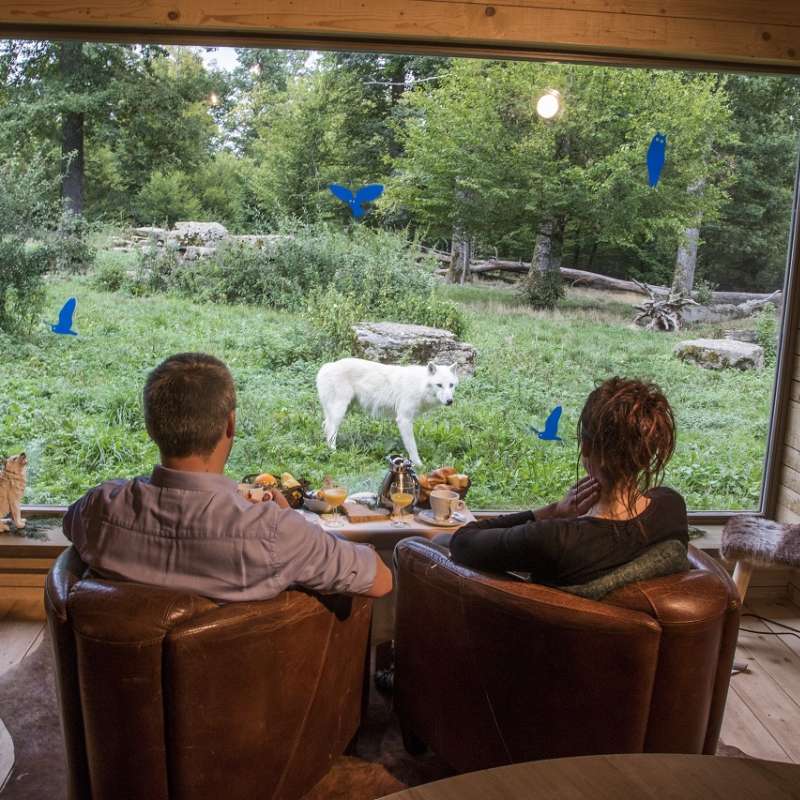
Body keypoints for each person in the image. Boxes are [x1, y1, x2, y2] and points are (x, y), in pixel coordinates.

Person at [63, 352, 392, 601]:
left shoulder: (99, 508)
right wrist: (293, 522)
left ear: (150, 428)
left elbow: (68, 524)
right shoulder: (277, 533)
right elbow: (381, 579)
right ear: (231, 424)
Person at [447, 377, 688, 586]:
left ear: (586, 446)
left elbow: (462, 542)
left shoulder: (555, 540)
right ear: (647, 454)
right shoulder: (671, 508)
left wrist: (554, 511)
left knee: (436, 541)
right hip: (619, 627)